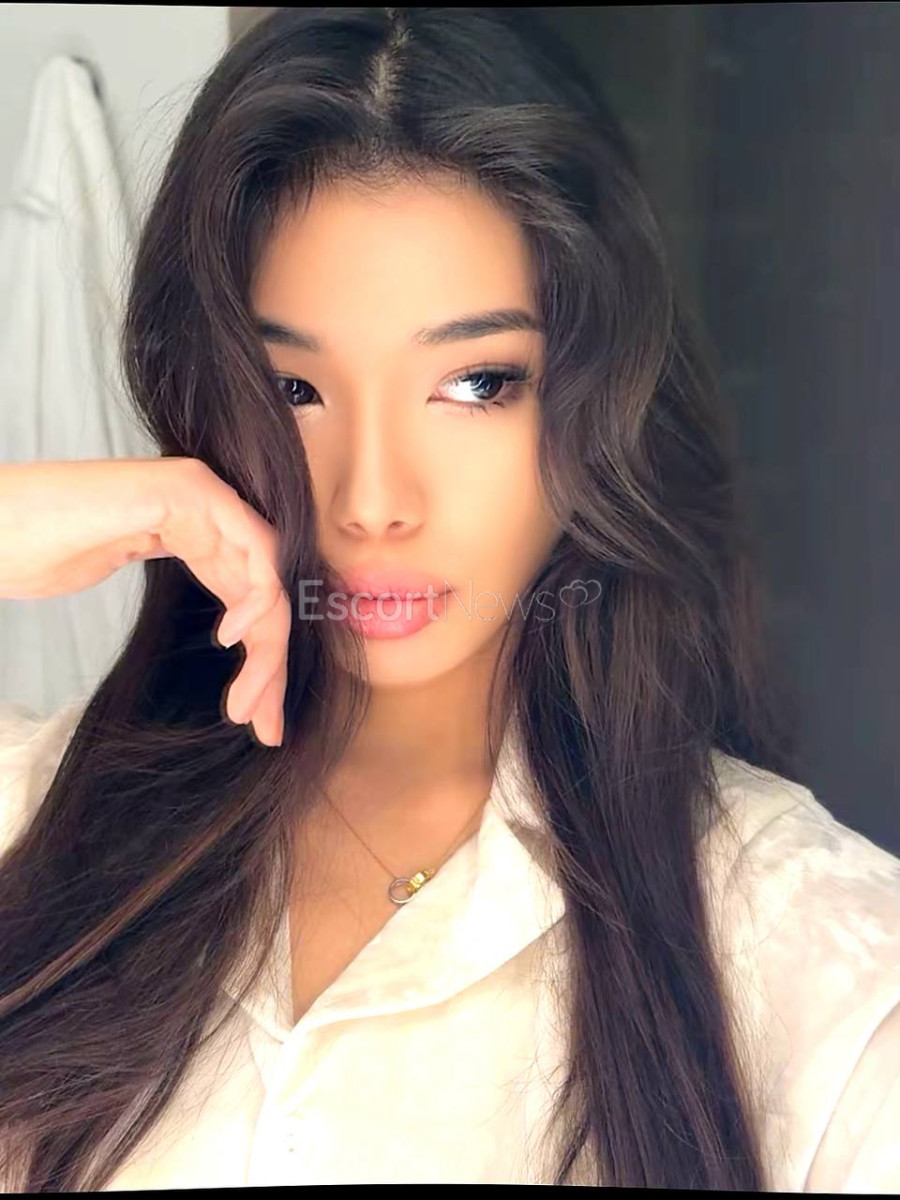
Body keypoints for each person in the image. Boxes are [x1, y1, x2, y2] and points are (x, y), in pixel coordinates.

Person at [0, 7, 898, 1192]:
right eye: (292, 388)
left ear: (599, 404)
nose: (373, 500)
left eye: (476, 383)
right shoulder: (33, 820)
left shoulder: (820, 965)